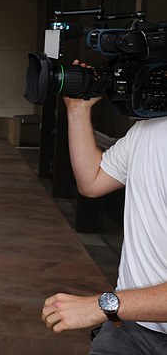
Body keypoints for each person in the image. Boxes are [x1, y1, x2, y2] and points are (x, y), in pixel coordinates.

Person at [41, 61, 167, 353]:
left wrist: (102, 306)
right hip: (127, 328)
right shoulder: (148, 129)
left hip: (119, 311)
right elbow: (92, 180)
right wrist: (78, 109)